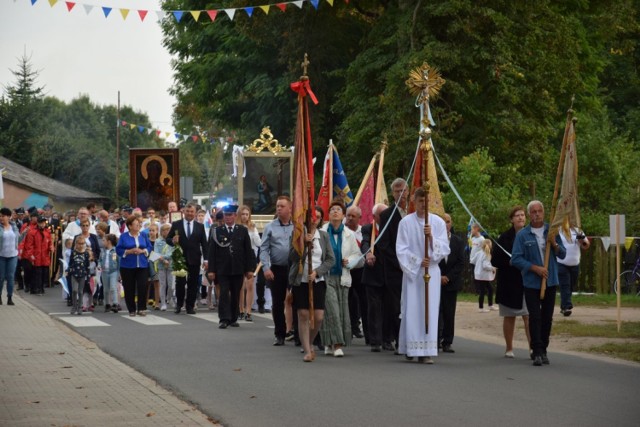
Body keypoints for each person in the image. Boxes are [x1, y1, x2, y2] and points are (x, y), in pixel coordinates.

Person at [396, 187, 450, 364]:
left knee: (430, 309)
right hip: (413, 273)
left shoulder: (438, 223)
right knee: (412, 309)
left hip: (431, 272)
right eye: (420, 201)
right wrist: (418, 261)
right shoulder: (406, 223)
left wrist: (432, 238)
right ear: (414, 201)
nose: (423, 204)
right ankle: (411, 347)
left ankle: (427, 350)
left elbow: (444, 248)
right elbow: (401, 249)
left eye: (426, 201)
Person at [511, 200, 566, 366]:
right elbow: (516, 259)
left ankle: (544, 349)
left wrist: (554, 243)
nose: (536, 214)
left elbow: (562, 254)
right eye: (533, 212)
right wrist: (534, 268)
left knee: (547, 317)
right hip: (531, 283)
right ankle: (536, 351)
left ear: (543, 212)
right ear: (529, 215)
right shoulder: (523, 235)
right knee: (534, 317)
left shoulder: (552, 231)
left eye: (539, 211)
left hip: (550, 281)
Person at [289, 212, 336, 362]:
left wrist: (317, 272)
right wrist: (302, 244)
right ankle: (307, 349)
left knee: (318, 316)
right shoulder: (297, 233)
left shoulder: (323, 236)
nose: (314, 219)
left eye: (317, 216)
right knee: (302, 314)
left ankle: (310, 340)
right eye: (311, 216)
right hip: (301, 280)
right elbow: (291, 257)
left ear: (321, 219)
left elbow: (330, 259)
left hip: (318, 280)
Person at [320, 200, 364, 357]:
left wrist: (349, 261)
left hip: (343, 276)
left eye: (338, 209)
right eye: (332, 209)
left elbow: (358, 256)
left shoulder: (349, 234)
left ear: (343, 215)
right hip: (326, 277)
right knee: (331, 310)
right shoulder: (322, 232)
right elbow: (317, 255)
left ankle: (332, 343)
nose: (335, 211)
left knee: (341, 311)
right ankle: (335, 344)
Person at [207, 205, 257, 329]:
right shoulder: (217, 231)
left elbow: (248, 251)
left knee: (235, 293)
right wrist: (211, 270)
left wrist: (249, 269)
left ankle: (233, 317)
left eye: (230, 215)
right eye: (226, 215)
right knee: (224, 293)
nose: (228, 217)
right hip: (222, 268)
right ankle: (224, 318)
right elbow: (211, 252)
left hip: (238, 268)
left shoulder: (242, 230)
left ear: (235, 216)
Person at [492, 206, 532, 358]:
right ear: (512, 219)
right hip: (509, 283)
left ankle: (533, 348)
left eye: (522, 215)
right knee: (510, 316)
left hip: (527, 281)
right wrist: (511, 262)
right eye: (517, 216)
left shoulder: (531, 235)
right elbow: (495, 259)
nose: (521, 218)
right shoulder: (505, 238)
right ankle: (509, 348)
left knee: (529, 316)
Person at [377, 178, 409, 351]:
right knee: (394, 305)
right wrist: (399, 262)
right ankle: (393, 338)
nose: (400, 193)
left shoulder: (413, 213)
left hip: (413, 268)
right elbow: (383, 244)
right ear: (392, 193)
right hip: (394, 268)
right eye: (396, 191)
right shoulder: (386, 215)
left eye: (402, 190)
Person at [260, 196, 294, 346]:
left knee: (297, 301)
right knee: (278, 302)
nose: (279, 208)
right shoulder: (270, 226)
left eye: (282, 206)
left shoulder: (297, 226)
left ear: (289, 208)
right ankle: (279, 334)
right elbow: (264, 249)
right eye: (277, 206)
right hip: (277, 269)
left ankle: (297, 333)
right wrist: (266, 267)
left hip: (295, 268)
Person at [166, 203, 209, 315]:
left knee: (193, 284)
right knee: (180, 283)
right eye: (188, 211)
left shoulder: (200, 226)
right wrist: (172, 241)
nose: (189, 213)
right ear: (184, 212)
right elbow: (168, 239)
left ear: (195, 213)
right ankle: (179, 305)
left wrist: (206, 260)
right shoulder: (176, 224)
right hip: (180, 258)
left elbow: (204, 244)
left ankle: (190, 306)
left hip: (195, 258)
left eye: (192, 212)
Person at [361, 203, 388, 352]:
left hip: (389, 275)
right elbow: (365, 243)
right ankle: (375, 340)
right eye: (381, 215)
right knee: (374, 308)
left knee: (389, 308)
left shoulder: (392, 227)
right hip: (372, 275)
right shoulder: (368, 229)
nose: (384, 218)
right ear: (374, 217)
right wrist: (368, 254)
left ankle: (387, 339)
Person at [438, 213, 465, 353]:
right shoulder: (433, 240)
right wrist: (439, 276)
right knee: (436, 311)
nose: (445, 224)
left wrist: (448, 277)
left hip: (451, 282)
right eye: (443, 222)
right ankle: (435, 339)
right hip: (435, 281)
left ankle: (447, 341)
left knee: (449, 312)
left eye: (448, 221)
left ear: (451, 223)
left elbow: (461, 262)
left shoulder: (458, 241)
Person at [116, 215, 153, 317]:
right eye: (136, 224)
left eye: (139, 224)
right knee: (129, 288)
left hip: (142, 264)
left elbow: (149, 246)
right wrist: (129, 251)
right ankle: (131, 309)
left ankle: (141, 308)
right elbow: (118, 250)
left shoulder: (143, 235)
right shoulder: (124, 236)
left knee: (142, 286)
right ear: (130, 226)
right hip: (127, 266)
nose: (138, 226)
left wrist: (143, 251)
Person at [345, 205, 367, 341]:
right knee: (348, 301)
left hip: (360, 271)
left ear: (360, 217)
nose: (350, 218)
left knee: (362, 301)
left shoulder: (363, 231)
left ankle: (360, 327)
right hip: (346, 270)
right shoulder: (342, 231)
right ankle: (349, 328)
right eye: (348, 215)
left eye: (353, 216)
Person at [557, 226, 590, 317]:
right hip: (561, 263)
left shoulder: (578, 230)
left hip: (575, 264)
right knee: (565, 285)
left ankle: (564, 305)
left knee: (571, 285)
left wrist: (582, 240)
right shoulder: (558, 230)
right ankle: (566, 307)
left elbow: (586, 246)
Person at [237, 205, 261, 321]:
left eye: (247, 214)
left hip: (250, 257)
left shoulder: (252, 227)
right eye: (243, 214)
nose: (245, 216)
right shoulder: (236, 227)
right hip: (239, 257)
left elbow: (258, 243)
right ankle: (240, 309)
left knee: (250, 285)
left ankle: (249, 311)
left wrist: (254, 231)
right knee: (240, 285)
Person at [22, 216, 53, 296]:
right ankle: (36, 288)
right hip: (36, 256)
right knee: (36, 273)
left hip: (44, 256)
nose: (42, 225)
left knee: (44, 273)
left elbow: (50, 242)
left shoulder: (47, 232)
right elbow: (29, 246)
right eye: (41, 223)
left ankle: (41, 288)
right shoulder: (32, 232)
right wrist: (31, 255)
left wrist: (51, 247)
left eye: (43, 223)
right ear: (38, 223)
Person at [0, 207, 20, 305]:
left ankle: (9, 297)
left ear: (8, 217)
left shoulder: (14, 226)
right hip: (1, 256)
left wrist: (24, 234)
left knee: (11, 277)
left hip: (13, 255)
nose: (1, 218)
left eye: (3, 216)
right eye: (0, 216)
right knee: (1, 277)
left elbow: (18, 239)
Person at [473, 239, 497, 313]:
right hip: (483, 276)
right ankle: (481, 308)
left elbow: (472, 261)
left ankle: (490, 305)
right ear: (490, 245)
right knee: (483, 291)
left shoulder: (478, 253)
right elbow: (485, 266)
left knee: (490, 289)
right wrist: (493, 268)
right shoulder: (487, 254)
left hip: (479, 275)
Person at [98, 234, 120, 313]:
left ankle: (115, 303)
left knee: (113, 287)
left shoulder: (115, 251)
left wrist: (119, 273)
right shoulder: (103, 251)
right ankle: (107, 304)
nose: (102, 242)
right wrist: (99, 265)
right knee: (106, 289)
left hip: (113, 271)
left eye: (104, 240)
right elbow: (100, 260)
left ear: (109, 242)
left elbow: (118, 262)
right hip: (104, 272)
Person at [68, 238, 90, 315]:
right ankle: (74, 306)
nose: (80, 245)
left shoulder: (86, 254)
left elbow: (87, 264)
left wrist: (88, 273)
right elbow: (70, 263)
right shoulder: (73, 253)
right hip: (74, 274)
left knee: (80, 291)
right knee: (74, 290)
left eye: (82, 244)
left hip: (82, 274)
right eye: (79, 244)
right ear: (76, 244)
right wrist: (69, 270)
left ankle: (80, 307)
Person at [155, 223, 174, 311]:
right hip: (161, 264)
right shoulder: (158, 241)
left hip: (171, 263)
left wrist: (168, 259)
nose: (167, 232)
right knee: (162, 284)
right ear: (161, 231)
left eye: (168, 230)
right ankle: (162, 303)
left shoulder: (172, 241)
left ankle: (168, 298)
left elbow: (174, 251)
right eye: (165, 230)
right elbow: (156, 253)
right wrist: (163, 260)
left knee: (171, 285)